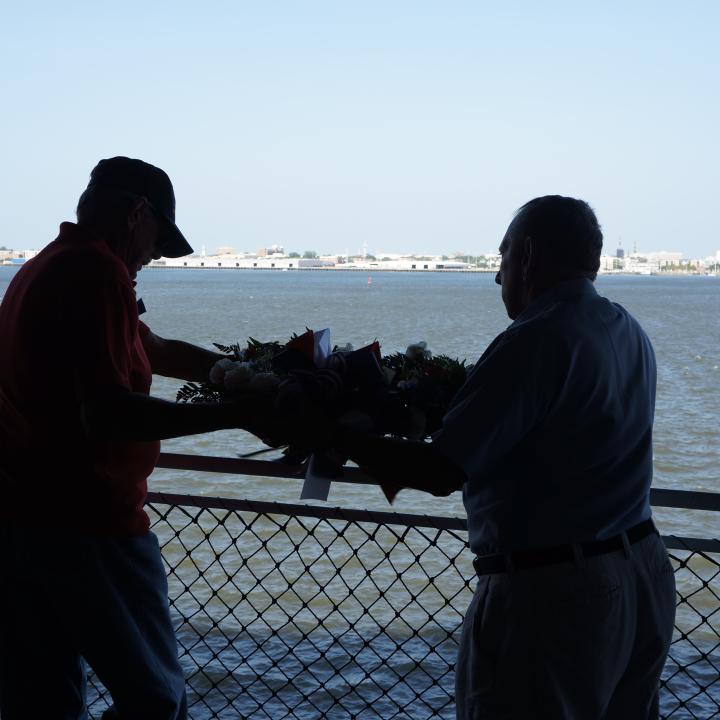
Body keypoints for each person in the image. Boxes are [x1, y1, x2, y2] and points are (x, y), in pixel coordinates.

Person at [332, 196, 676, 719]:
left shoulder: (537, 337)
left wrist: (330, 433)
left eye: (503, 255)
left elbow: (442, 470)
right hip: (642, 572)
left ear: (530, 255)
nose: (498, 276)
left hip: (556, 594)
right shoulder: (626, 329)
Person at [0, 157, 286, 720]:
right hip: (89, 525)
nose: (154, 256)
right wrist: (236, 414)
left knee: (41, 704)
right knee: (156, 700)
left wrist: (252, 375)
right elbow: (108, 414)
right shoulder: (96, 272)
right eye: (158, 240)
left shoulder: (47, 267)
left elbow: (154, 349)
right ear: (137, 214)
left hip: (20, 520)